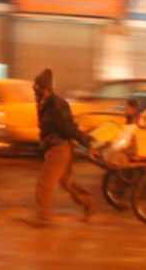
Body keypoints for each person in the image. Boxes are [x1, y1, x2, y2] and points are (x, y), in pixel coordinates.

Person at [24, 69, 96, 227]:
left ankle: (43, 217)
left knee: (44, 182)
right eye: (34, 87)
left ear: (46, 88)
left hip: (59, 148)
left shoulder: (57, 104)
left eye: (38, 88)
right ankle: (88, 202)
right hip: (54, 147)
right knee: (66, 182)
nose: (35, 91)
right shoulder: (43, 102)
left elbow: (69, 127)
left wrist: (86, 141)